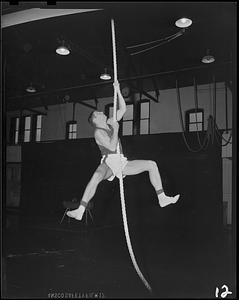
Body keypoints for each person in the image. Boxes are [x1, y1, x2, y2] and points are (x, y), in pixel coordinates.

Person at [67, 81, 180, 221]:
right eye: (98, 113)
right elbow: (112, 147)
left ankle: (162, 197)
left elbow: (123, 109)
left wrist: (118, 91)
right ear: (95, 119)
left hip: (120, 161)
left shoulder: (109, 122)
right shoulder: (98, 132)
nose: (102, 112)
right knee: (96, 176)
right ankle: (81, 210)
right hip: (108, 162)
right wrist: (116, 129)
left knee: (152, 164)